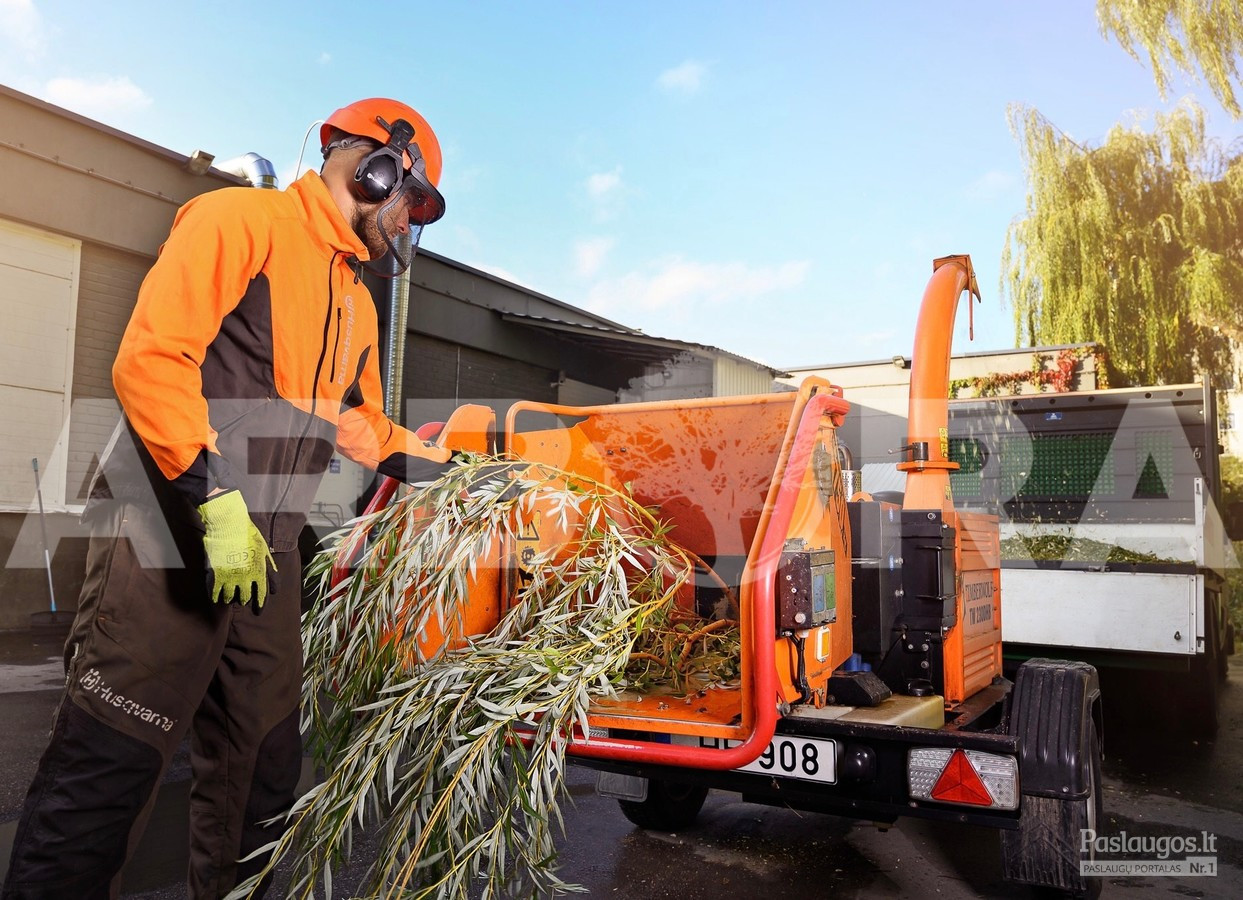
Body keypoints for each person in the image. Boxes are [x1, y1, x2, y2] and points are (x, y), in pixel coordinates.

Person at [2, 97, 454, 899]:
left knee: (263, 773)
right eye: (411, 203)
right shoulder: (238, 220)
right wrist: (213, 504)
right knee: (107, 769)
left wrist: (457, 471)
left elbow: (360, 426)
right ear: (378, 164)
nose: (409, 225)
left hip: (267, 555)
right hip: (167, 534)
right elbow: (151, 361)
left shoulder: (355, 301)